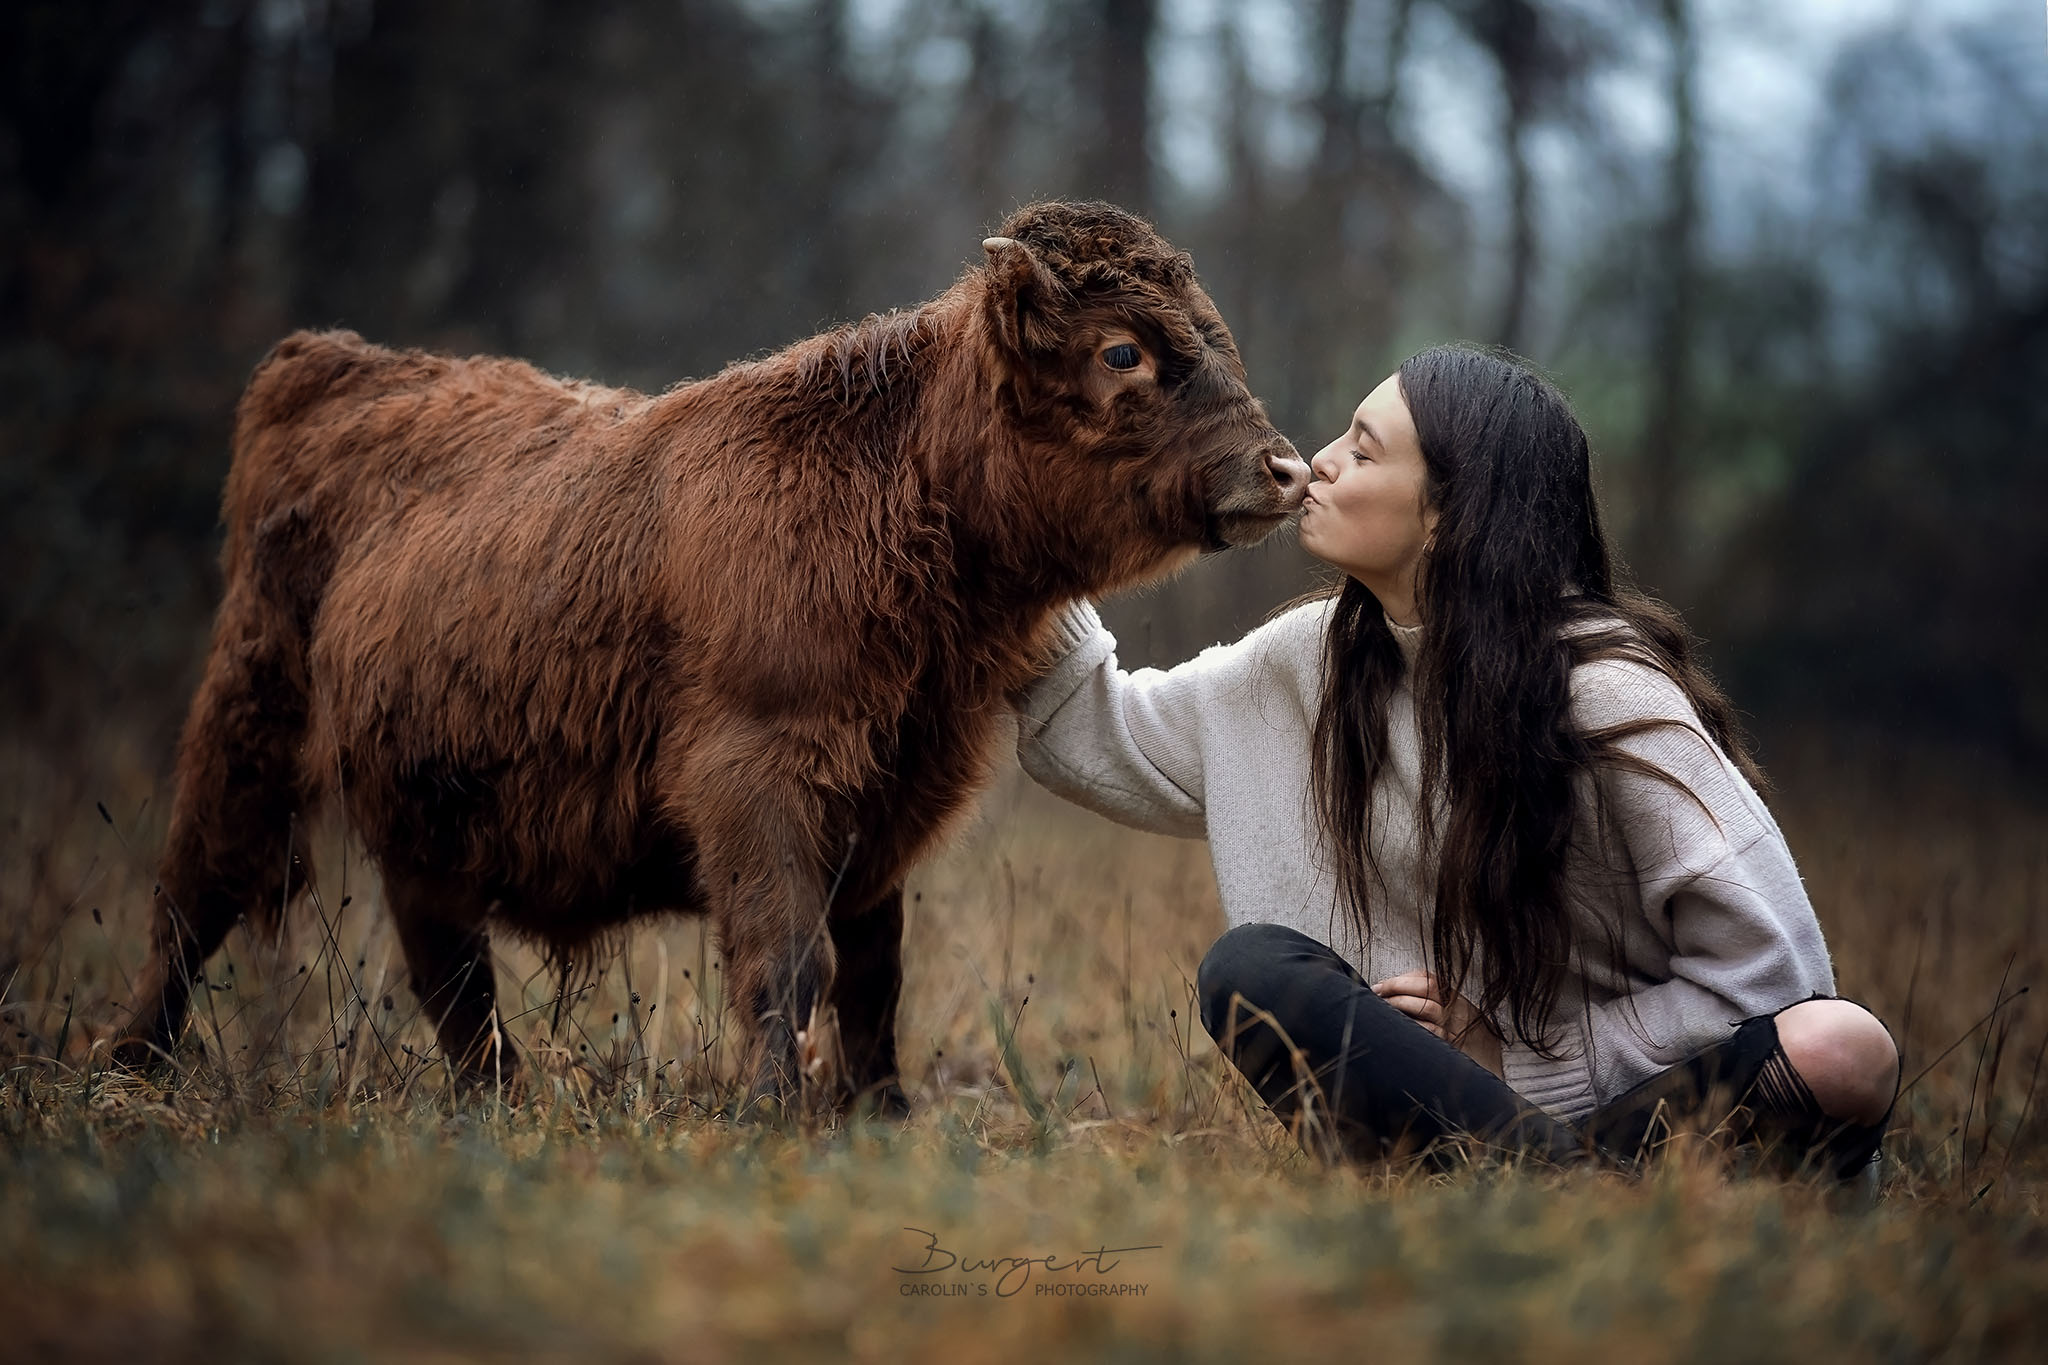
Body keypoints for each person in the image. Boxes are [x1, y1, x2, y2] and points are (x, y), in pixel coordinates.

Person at [1015, 342, 1901, 1182]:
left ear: (1445, 516)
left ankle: (1545, 1189)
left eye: (1361, 453)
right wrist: (1015, 535)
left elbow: (1775, 978)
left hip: (1637, 1114)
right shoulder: (1303, 660)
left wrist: (1526, 1059)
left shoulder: (1608, 693)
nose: (1316, 461)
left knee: (1845, 1049)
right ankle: (1576, 1197)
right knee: (1251, 972)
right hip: (1443, 1122)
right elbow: (1104, 730)